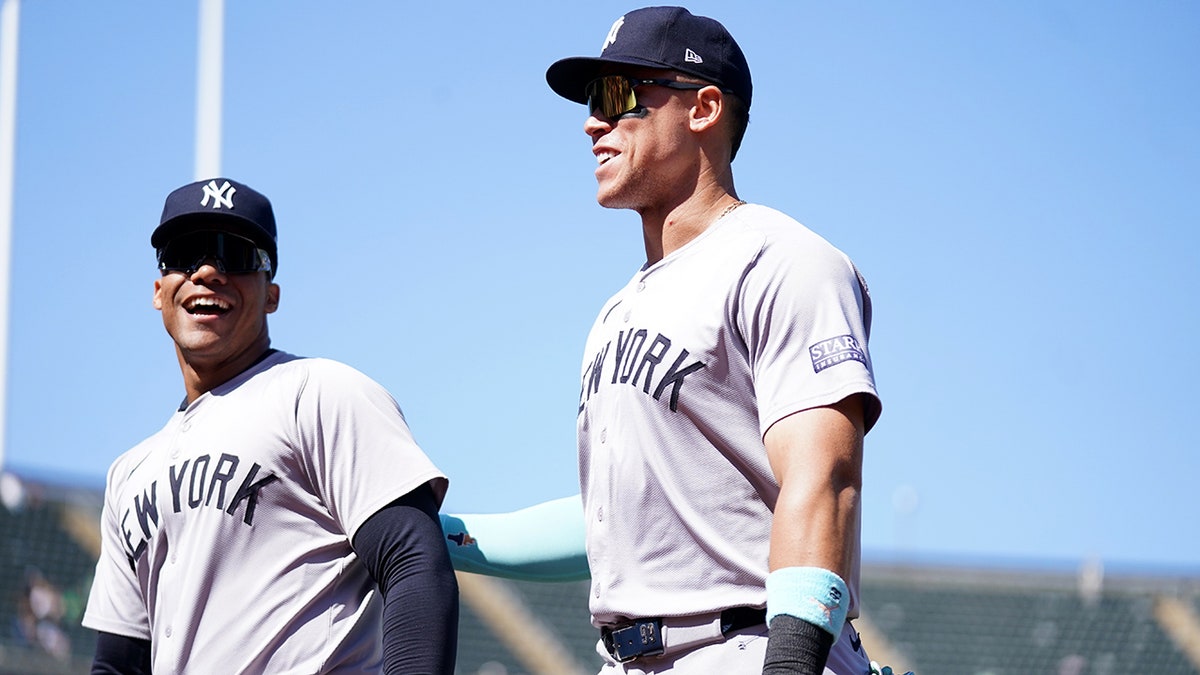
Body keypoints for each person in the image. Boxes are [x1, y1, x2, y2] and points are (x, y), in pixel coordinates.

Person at [440, 6, 897, 675]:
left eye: (618, 96)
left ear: (704, 108)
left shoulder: (784, 260)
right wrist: (437, 531)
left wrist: (791, 665)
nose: (593, 121)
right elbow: (619, 519)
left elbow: (823, 476)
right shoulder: (617, 309)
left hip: (744, 647)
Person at [82, 178, 458, 674]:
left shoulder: (319, 393)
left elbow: (413, 559)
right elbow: (119, 662)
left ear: (272, 293)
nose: (209, 272)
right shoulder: (127, 473)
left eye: (237, 255)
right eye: (186, 254)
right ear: (159, 290)